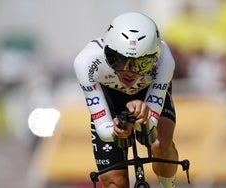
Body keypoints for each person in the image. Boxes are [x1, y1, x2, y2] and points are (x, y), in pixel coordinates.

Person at [74, 12, 178, 188]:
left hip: (147, 94)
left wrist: (143, 115)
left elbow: (150, 124)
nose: (129, 71)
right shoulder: (86, 63)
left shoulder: (165, 60)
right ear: (108, 52)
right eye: (119, 60)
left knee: (160, 145)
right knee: (115, 183)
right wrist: (118, 129)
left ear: (155, 57)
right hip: (111, 101)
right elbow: (103, 129)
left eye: (141, 63)